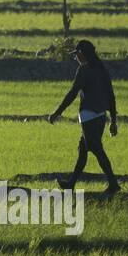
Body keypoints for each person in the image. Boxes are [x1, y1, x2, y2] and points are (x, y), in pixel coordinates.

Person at [47, 39, 120, 192]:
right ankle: (71, 184)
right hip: (101, 116)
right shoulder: (101, 70)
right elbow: (111, 96)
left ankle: (113, 183)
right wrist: (113, 120)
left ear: (81, 54)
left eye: (76, 55)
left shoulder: (84, 70)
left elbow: (73, 93)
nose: (75, 58)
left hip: (88, 116)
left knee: (96, 149)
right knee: (83, 149)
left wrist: (57, 112)